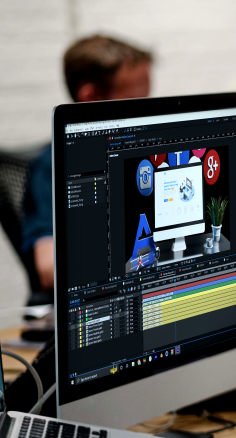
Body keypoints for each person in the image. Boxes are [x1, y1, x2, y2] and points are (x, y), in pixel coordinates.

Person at [22, 35, 152, 294]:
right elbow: (48, 269)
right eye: (134, 101)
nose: (147, 113)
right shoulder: (52, 166)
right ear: (90, 98)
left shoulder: (139, 153)